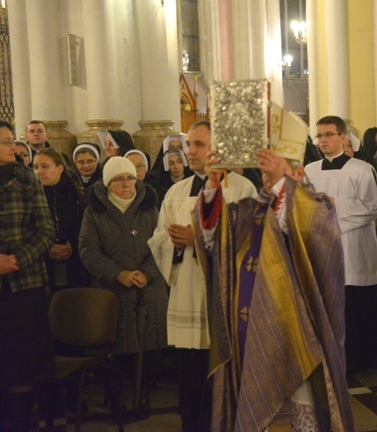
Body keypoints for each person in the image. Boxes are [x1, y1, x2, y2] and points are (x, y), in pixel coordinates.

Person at [196, 141, 354, 431]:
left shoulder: (319, 206)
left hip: (295, 334)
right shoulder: (246, 211)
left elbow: (303, 225)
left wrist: (282, 179)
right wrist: (212, 184)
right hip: (248, 331)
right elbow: (213, 237)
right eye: (265, 173)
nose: (268, 178)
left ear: (297, 173)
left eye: (277, 172)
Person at [147, 120, 256, 432]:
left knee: (223, 372)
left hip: (224, 294)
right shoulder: (176, 191)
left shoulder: (240, 188)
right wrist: (176, 242)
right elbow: (158, 239)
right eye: (188, 144)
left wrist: (198, 239)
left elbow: (246, 241)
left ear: (217, 149)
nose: (190, 151)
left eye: (198, 145)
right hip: (187, 291)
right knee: (191, 377)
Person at [79, 156, 168, 422]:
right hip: (112, 291)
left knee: (149, 348)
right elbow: (88, 249)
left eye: (129, 177)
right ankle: (117, 399)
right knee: (116, 351)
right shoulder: (94, 211)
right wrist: (117, 273)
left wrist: (147, 272)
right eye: (119, 180)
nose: (126, 184)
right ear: (108, 185)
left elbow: (163, 241)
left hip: (148, 289)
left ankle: (142, 398)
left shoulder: (150, 206)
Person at [304, 116, 377, 374]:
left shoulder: (361, 168)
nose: (323, 140)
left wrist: (334, 206)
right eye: (319, 136)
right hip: (321, 246)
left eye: (329, 135)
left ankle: (361, 359)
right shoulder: (310, 170)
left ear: (343, 138)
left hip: (353, 248)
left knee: (355, 301)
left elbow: (372, 208)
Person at [0, 120, 55, 431]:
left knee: (22, 368)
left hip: (25, 287)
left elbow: (46, 230)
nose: (13, 147)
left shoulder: (28, 180)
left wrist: (18, 259)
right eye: (5, 142)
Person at [33, 148, 89, 293]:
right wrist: (45, 249)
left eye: (45, 166)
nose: (39, 171)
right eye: (35, 167)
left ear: (59, 168)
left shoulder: (77, 197)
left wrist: (73, 246)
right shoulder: (29, 198)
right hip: (40, 268)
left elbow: (87, 229)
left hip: (75, 266)